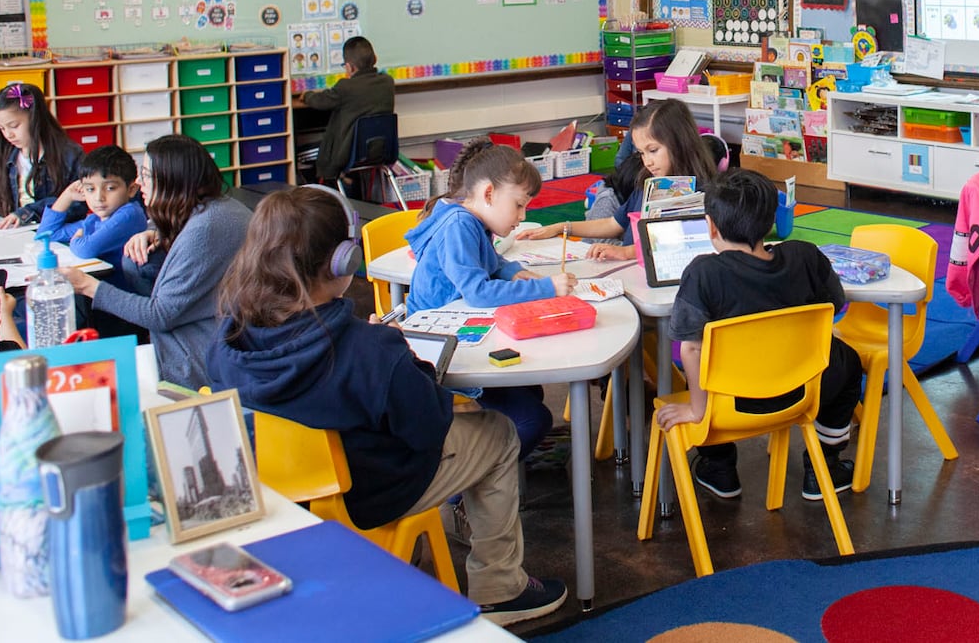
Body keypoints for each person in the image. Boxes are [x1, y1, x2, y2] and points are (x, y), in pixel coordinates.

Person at [206, 188, 567, 626]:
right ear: (342, 261)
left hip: (277, 499)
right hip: (368, 494)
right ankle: (500, 588)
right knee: (498, 433)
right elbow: (426, 429)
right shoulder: (368, 350)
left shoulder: (229, 338)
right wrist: (406, 361)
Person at [656, 168, 863, 502]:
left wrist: (698, 410)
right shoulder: (805, 255)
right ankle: (823, 465)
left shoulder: (703, 272)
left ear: (711, 225)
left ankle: (720, 466)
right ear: (771, 220)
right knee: (847, 361)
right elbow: (833, 307)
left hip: (732, 404)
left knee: (700, 365)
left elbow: (690, 350)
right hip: (800, 392)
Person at [404, 139, 573, 458]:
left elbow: (489, 261)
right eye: (519, 204)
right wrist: (547, 287)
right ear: (488, 194)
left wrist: (513, 272)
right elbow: (478, 292)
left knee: (531, 390)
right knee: (532, 421)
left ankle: (498, 466)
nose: (522, 216)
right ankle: (466, 480)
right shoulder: (459, 225)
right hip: (436, 353)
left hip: (459, 335)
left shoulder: (472, 221)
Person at [61, 135, 251, 390]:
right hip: (210, 338)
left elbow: (159, 315)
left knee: (90, 377)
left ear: (173, 180)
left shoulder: (206, 228)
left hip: (197, 357)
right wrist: (157, 232)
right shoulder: (215, 208)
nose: (139, 181)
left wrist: (87, 286)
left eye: (147, 175)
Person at [518, 100, 717, 261]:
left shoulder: (703, 193)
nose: (647, 161)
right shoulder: (648, 182)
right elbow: (614, 224)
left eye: (653, 150)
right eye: (641, 153)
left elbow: (684, 245)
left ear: (679, 143)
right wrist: (560, 227)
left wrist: (627, 252)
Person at [0, 83, 83, 229]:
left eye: (14, 126)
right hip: (17, 234)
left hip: (54, 234)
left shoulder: (69, 155)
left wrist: (27, 212)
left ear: (35, 118)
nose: (8, 134)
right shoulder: (7, 156)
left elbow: (78, 204)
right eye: (2, 128)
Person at [298, 35, 395, 184]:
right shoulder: (388, 82)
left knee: (300, 155)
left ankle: (330, 188)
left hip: (348, 154)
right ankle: (347, 181)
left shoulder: (345, 87)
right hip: (380, 151)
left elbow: (321, 101)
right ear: (374, 58)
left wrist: (307, 95)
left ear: (349, 67)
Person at [39, 145, 148, 276]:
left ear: (131, 189)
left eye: (110, 188)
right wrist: (67, 196)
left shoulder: (130, 214)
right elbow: (47, 234)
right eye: (90, 189)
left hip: (118, 292)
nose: (99, 198)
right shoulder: (95, 219)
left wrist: (76, 240)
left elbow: (86, 249)